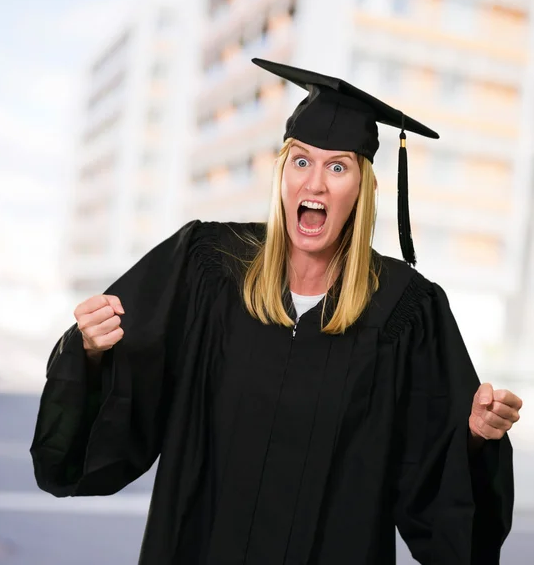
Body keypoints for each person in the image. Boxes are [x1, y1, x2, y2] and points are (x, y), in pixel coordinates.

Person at [31, 58, 523, 565]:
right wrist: (91, 351)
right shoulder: (205, 267)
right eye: (301, 161)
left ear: (365, 188)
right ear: (281, 172)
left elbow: (436, 481)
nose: (315, 185)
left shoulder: (406, 310)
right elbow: (127, 382)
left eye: (338, 166)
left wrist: (475, 439)